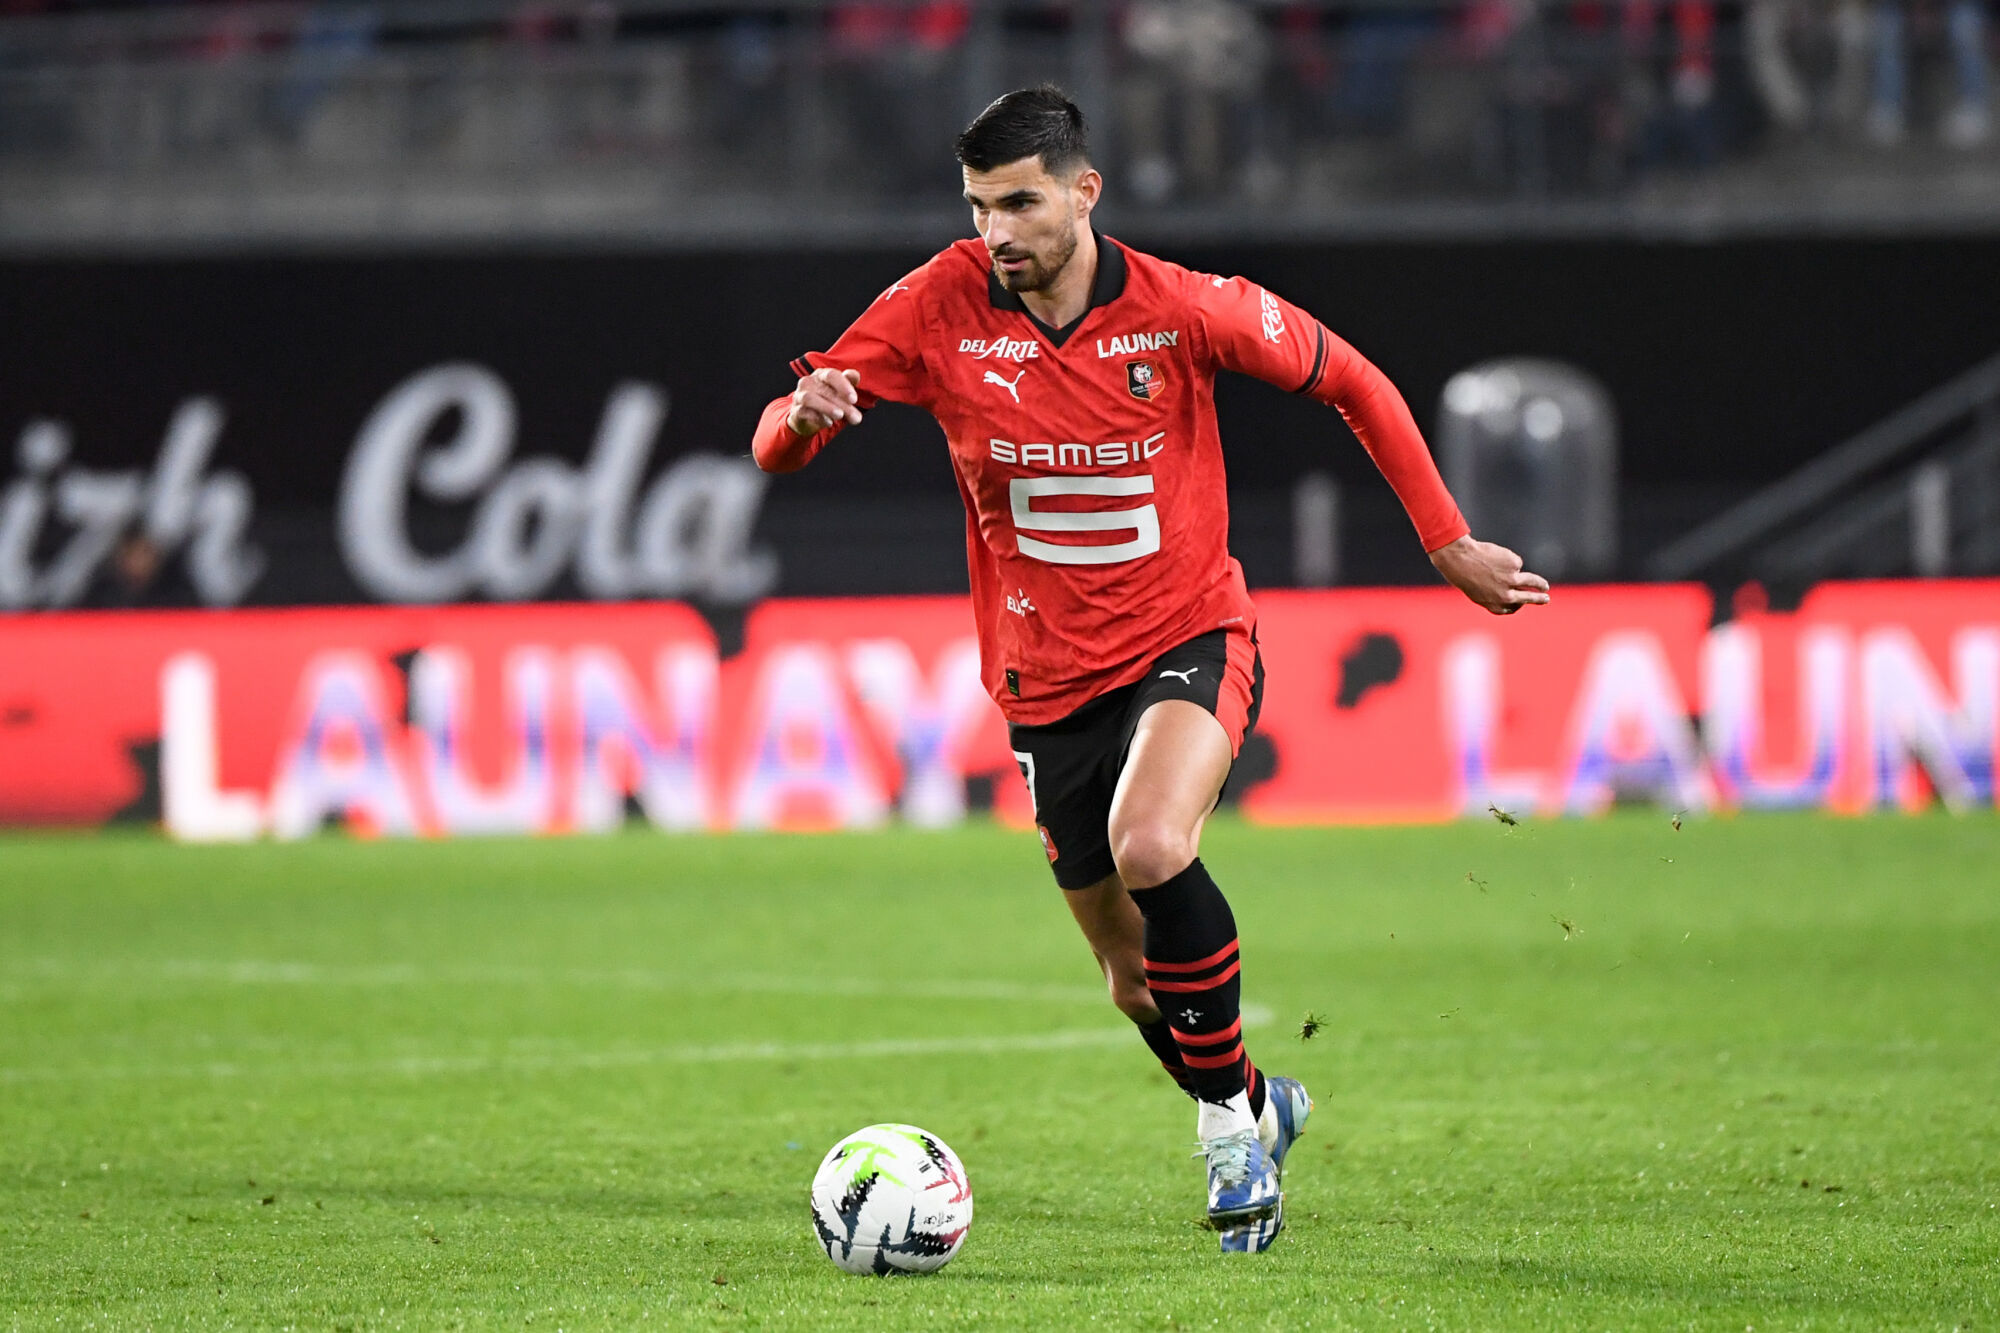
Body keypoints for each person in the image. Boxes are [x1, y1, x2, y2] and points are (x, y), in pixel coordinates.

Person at [748, 85, 1549, 1254]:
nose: (996, 232)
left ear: (1084, 192)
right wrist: (804, 416)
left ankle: (1227, 1138)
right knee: (1133, 982)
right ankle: (1259, 1101)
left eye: (1019, 203)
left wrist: (1444, 541)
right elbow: (775, 443)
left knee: (1151, 843)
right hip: (1042, 682)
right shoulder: (932, 307)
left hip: (1189, 634)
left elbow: (1352, 379)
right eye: (977, 208)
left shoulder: (1179, 309)